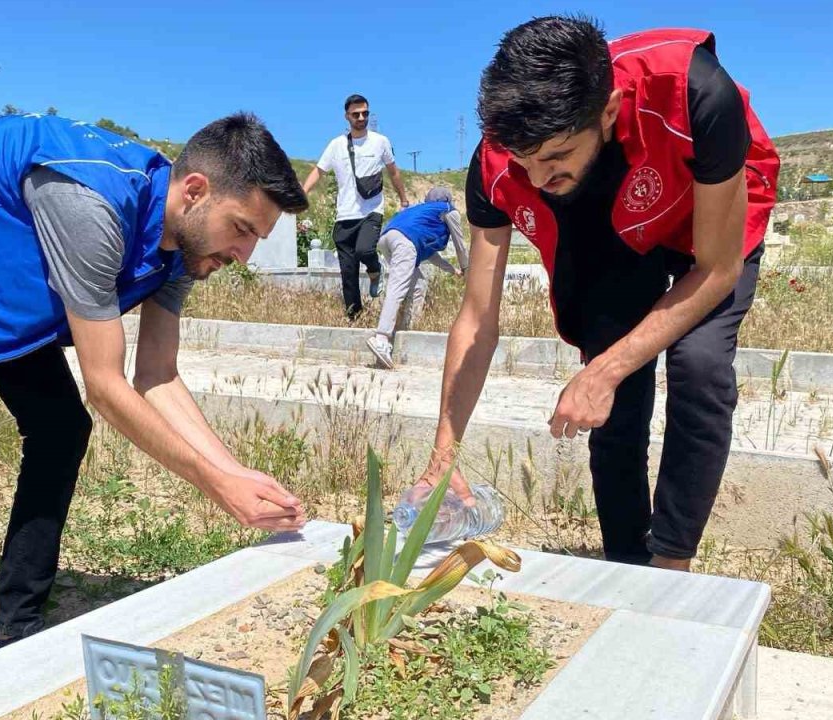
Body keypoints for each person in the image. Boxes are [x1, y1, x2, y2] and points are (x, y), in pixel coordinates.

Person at [0, 112, 310, 670]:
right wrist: (215, 484)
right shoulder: (90, 206)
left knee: (60, 428)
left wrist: (235, 472)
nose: (244, 255)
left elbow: (157, 374)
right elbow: (104, 387)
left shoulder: (184, 245)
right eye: (243, 229)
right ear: (196, 192)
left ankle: (15, 626)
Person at [413, 17, 779, 571]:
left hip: (708, 213)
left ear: (608, 112)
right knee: (612, 386)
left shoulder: (696, 93)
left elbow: (717, 269)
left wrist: (600, 372)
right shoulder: (497, 161)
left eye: (555, 158)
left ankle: (671, 563)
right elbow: (477, 317)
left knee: (699, 365)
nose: (535, 179)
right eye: (524, 162)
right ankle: (628, 562)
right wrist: (445, 451)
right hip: (612, 221)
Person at [302, 94, 410, 320]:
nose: (361, 118)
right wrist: (303, 193)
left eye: (365, 113)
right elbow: (319, 171)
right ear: (346, 116)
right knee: (348, 272)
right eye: (356, 114)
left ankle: (375, 270)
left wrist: (403, 199)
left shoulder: (380, 142)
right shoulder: (336, 145)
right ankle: (354, 316)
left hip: (371, 210)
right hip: (344, 215)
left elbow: (393, 172)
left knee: (365, 251)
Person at [366, 187, 469, 369]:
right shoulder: (447, 209)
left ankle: (408, 328)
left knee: (418, 282)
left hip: (388, 238)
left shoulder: (421, 212)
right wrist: (467, 269)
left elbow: (428, 254)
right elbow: (460, 245)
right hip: (404, 242)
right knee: (398, 287)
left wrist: (453, 270)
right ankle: (381, 337)